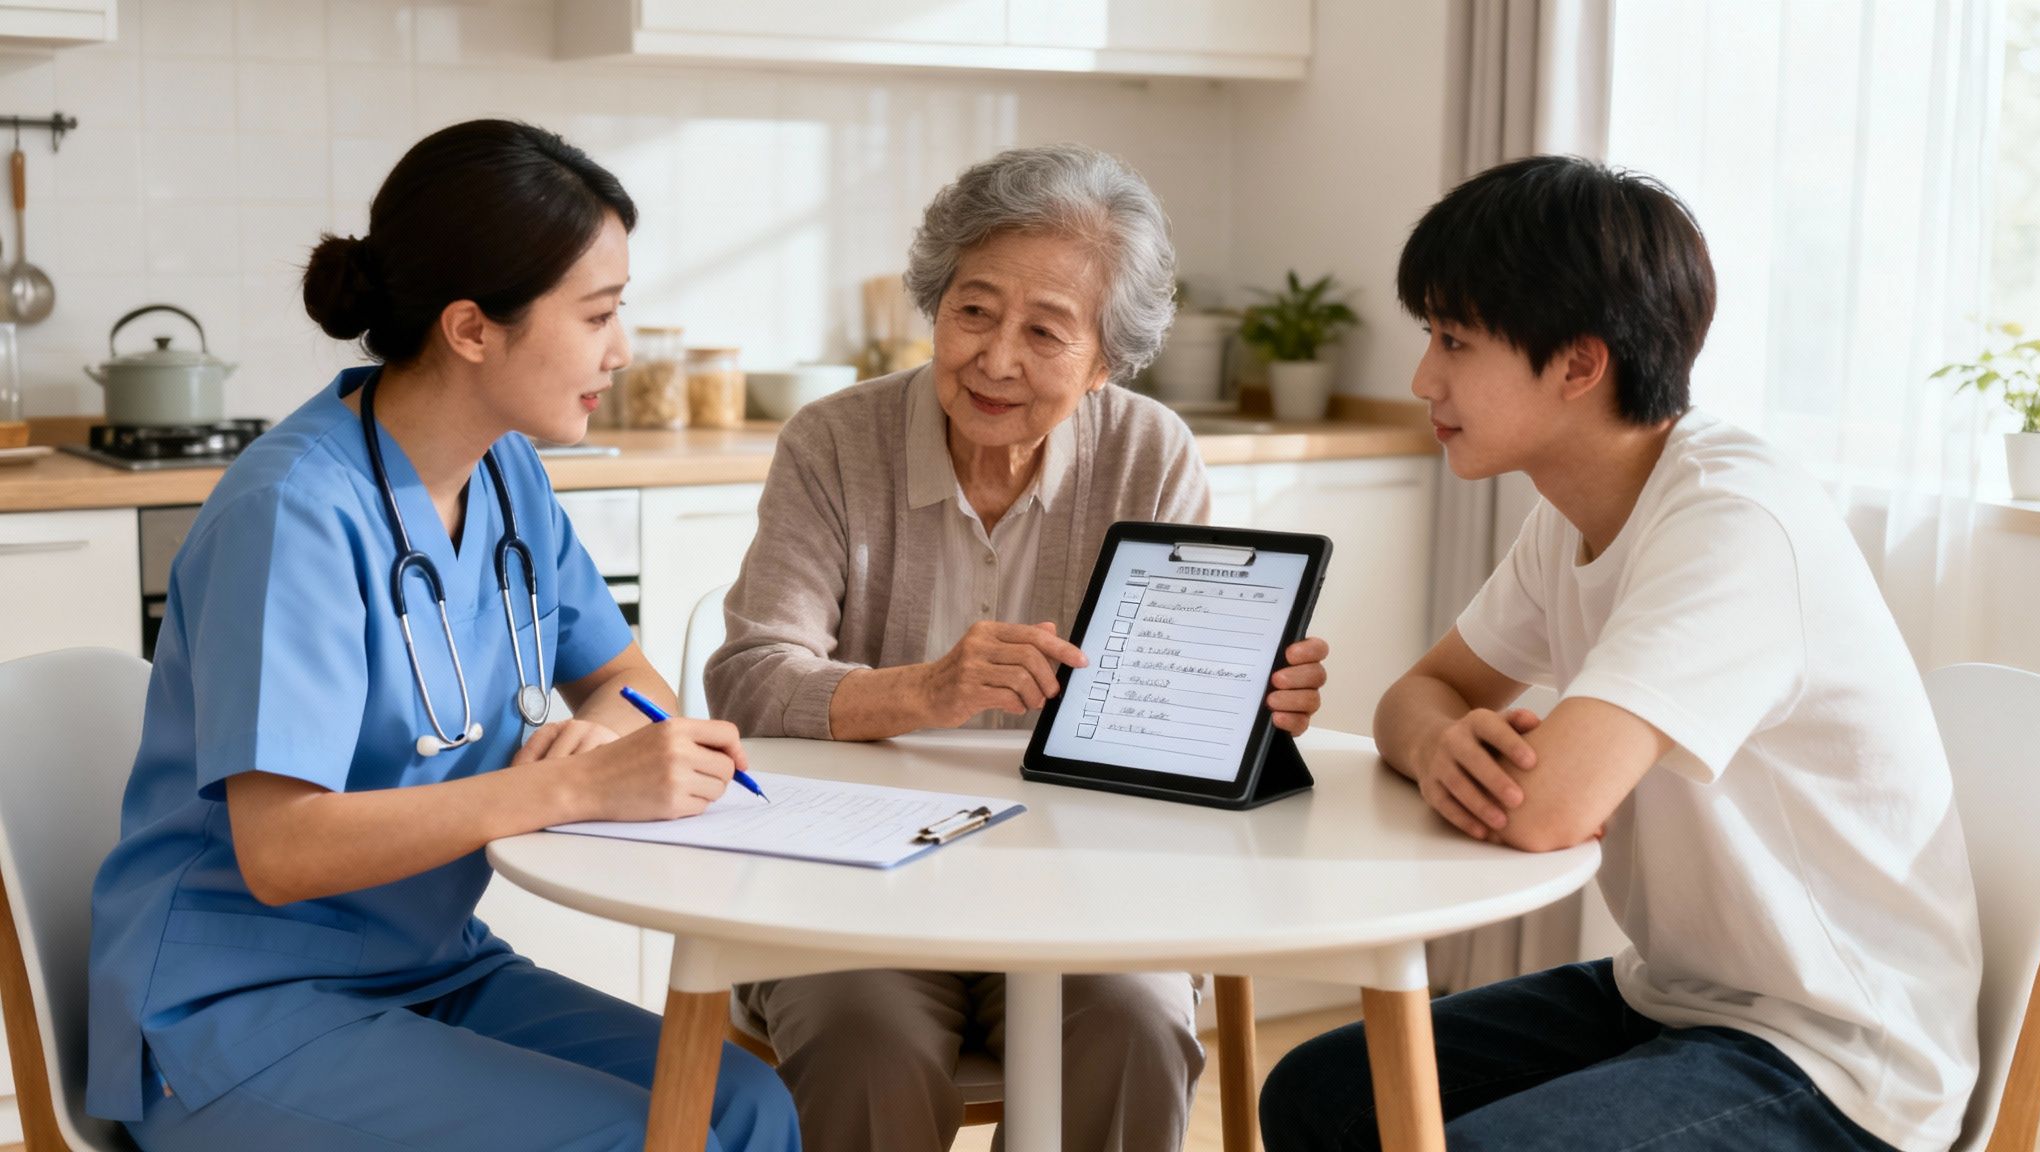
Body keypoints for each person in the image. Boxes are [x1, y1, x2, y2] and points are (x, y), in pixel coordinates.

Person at [85, 119, 799, 1152]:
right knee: (629, 1139)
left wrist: (600, 733)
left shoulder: (507, 472)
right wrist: (571, 787)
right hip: (235, 1013)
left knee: (745, 1107)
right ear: (471, 329)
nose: (621, 350)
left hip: (430, 964)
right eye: (597, 314)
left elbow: (626, 678)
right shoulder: (294, 512)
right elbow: (280, 852)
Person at [1258, 155, 1982, 1152]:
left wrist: (1462, 747)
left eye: (1453, 340)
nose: (1422, 378)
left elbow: (1548, 810)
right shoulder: (1573, 508)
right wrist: (1437, 746)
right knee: (1321, 1090)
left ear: (1576, 365)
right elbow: (1418, 694)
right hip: (1678, 997)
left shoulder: (1732, 523)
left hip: (1835, 1056)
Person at [706, 143, 1330, 1151]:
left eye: (1044, 331)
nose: (994, 359)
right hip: (857, 876)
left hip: (1090, 882)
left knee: (1133, 1022)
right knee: (864, 1040)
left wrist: (1245, 703)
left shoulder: (1149, 451)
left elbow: (1174, 713)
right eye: (973, 311)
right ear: (934, 304)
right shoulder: (831, 442)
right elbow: (745, 678)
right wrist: (922, 690)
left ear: (1104, 362)